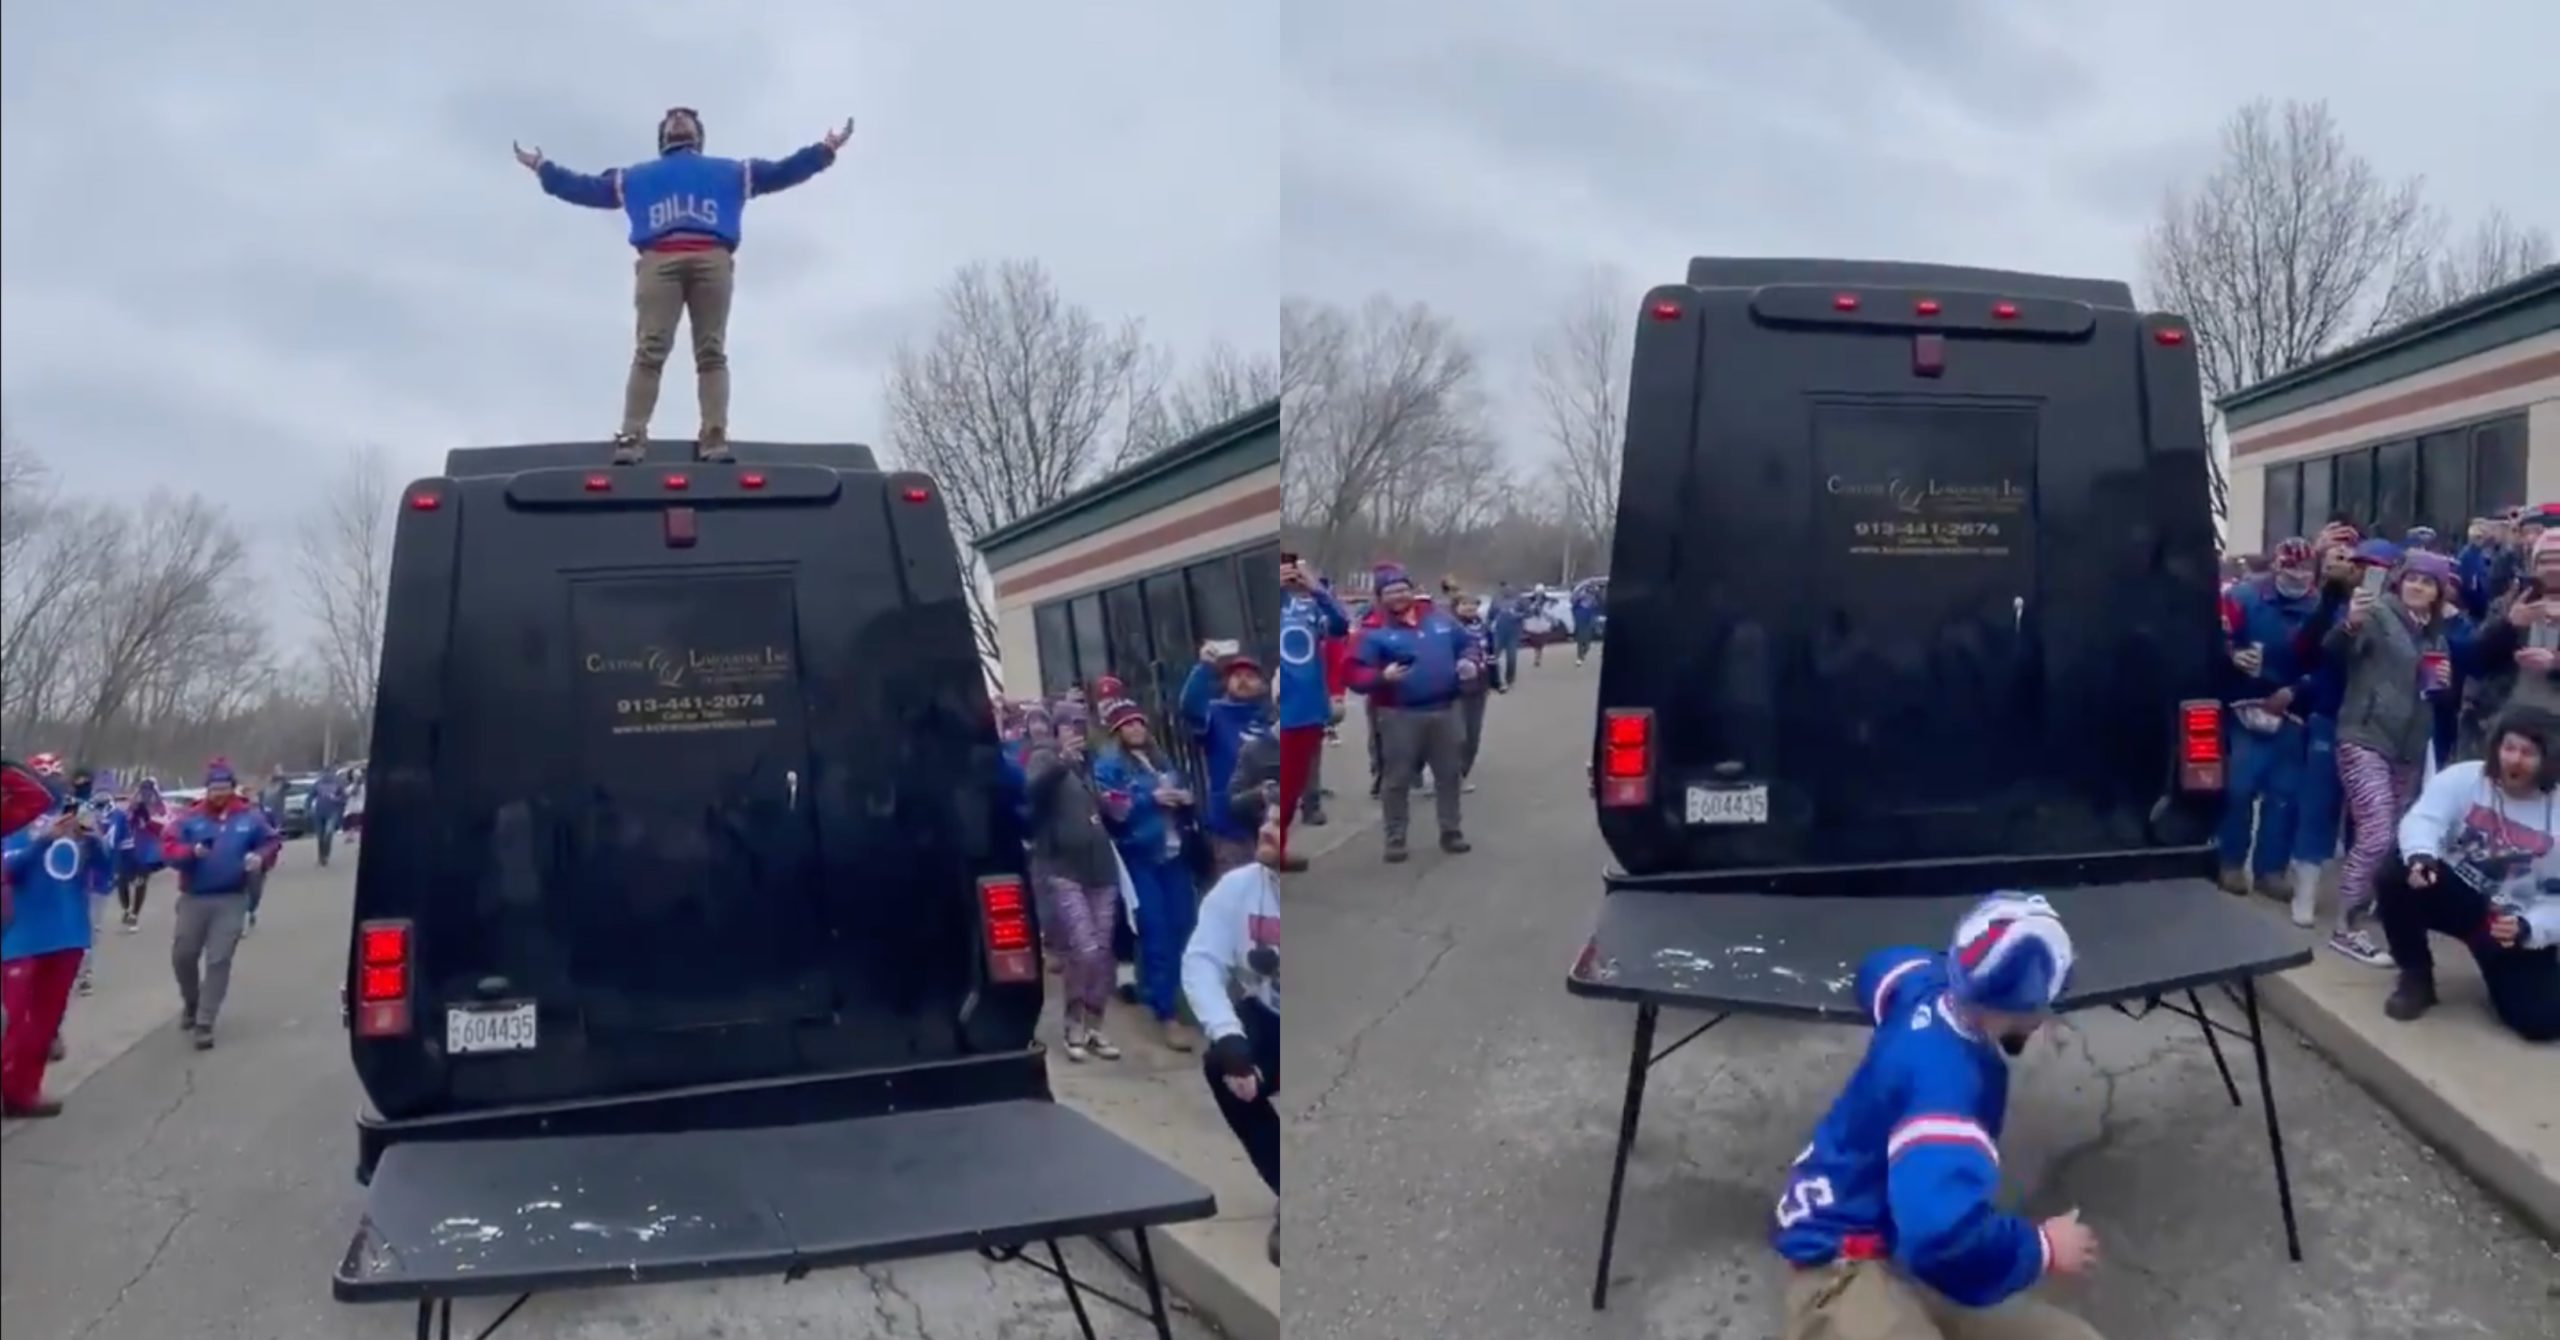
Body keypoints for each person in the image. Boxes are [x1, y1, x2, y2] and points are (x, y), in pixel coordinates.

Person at [1772, 893, 2103, 1339]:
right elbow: (1939, 1232)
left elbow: (1880, 966)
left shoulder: (1924, 987)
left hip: (1895, 1242)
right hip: (1838, 1267)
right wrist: (2042, 1247)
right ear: (2025, 1009)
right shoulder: (1950, 1090)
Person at [518, 109, 854, 465]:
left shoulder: (731, 172)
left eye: (685, 117)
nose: (678, 118)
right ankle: (632, 436)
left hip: (712, 255)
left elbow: (781, 171)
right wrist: (544, 168)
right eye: (672, 118)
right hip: (659, 258)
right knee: (650, 349)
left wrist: (824, 151)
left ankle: (714, 435)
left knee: (711, 351)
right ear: (663, 135)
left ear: (698, 133)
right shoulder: (636, 177)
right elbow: (586, 188)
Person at [2378, 707, 2560, 1042]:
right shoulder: (2465, 778)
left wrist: (2529, 928)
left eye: (2528, 753)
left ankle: (2505, 972)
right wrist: (2422, 856)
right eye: (2509, 748)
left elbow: (2556, 899)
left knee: (2542, 1022)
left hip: (2512, 920)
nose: (2514, 760)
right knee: (2397, 871)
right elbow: (2424, 819)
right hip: (2456, 893)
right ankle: (2416, 974)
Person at [2325, 546, 2456, 967]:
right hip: (2363, 735)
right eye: (2412, 578)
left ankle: (2374, 906)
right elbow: (2334, 651)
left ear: (2438, 592)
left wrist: (2445, 684)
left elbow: (2434, 697)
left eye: (2428, 581)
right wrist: (2349, 624)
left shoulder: (2435, 636)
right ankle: (2344, 927)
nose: (2417, 586)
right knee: (2377, 830)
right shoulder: (2378, 614)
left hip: (2408, 747)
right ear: (2399, 582)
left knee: (2393, 835)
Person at [1183, 809, 1282, 1267]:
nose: (1266, 829)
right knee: (1222, 1069)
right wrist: (1227, 1035)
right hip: (1270, 1015)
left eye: (1281, 823)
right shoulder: (1238, 888)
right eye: (1268, 818)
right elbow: (1202, 960)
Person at [1347, 562, 1480, 862]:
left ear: (1412, 590)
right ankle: (1395, 838)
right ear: (1380, 597)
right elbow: (1353, 674)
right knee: (1397, 779)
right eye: (1390, 592)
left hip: (1445, 709)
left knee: (1449, 775)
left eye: (1402, 589)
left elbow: (1468, 644)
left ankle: (1451, 831)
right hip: (1398, 714)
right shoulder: (1372, 631)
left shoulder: (1439, 619)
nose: (1398, 596)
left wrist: (1469, 661)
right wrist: (1381, 676)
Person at [1091, 698, 1201, 1052]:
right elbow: (1113, 808)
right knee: (1155, 929)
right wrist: (1151, 798)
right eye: (1128, 724)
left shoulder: (1160, 759)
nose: (1136, 728)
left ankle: (1165, 992)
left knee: (1184, 924)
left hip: (1174, 854)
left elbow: (1181, 789)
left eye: (1139, 722)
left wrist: (1184, 798)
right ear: (1116, 731)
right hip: (1140, 857)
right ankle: (1165, 1012)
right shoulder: (1108, 765)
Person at [2218, 539, 2320, 906]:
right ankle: (2230, 861)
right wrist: (2232, 654)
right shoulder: (2243, 597)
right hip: (2245, 704)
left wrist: (2296, 691)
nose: (2297, 575)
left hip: (2293, 709)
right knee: (2239, 788)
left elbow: (2329, 664)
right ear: (2275, 565)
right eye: (2290, 567)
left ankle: (2271, 870)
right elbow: (2216, 636)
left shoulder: (2321, 607)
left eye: (2305, 569)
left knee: (2284, 795)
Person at [1023, 701, 1124, 1063]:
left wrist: (1114, 806)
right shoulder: (1044, 757)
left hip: (1101, 868)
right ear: (1056, 729)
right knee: (1084, 949)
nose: (1076, 731)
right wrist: (1061, 762)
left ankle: (1096, 1025)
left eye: (1081, 724)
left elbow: (1098, 812)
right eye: (1069, 725)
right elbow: (1030, 794)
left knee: (1103, 954)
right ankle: (1073, 1024)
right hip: (1064, 868)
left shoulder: (1090, 763)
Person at [2, 794, 108, 1117]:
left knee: (44, 1025)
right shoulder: (11, 822)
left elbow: (105, 877)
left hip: (67, 936)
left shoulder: (75, 820)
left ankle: (23, 1092)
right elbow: (8, 870)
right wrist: (43, 841)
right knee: (14, 1023)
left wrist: (96, 841)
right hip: (19, 939)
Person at [163, 761, 278, 1050]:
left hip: (232, 898)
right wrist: (191, 852)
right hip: (194, 897)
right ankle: (192, 1002)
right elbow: (168, 848)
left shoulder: (249, 818)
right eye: (214, 788)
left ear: (232, 788)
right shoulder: (189, 819)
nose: (219, 793)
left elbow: (271, 841)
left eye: (224, 788)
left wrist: (260, 857)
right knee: (183, 955)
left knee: (219, 958)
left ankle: (205, 1022)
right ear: (207, 790)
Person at [1274, 556, 1350, 865]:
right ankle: (1270, 852)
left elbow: (1341, 625)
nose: (1289, 575)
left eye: (1293, 568)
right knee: (1274, 786)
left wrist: (1316, 588)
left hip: (1306, 708)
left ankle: (1278, 850)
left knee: (1293, 785)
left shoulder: (1310, 607)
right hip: (1278, 708)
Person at [1179, 644, 1276, 872]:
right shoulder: (1215, 713)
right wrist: (1204, 667)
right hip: (1229, 825)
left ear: (1262, 685)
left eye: (1250, 676)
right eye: (1236, 676)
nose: (1242, 681)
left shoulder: (1270, 717)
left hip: (1269, 820)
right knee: (1240, 884)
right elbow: (1189, 706)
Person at [1450, 590, 1507, 788]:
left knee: (1472, 736)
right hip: (1454, 690)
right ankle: (1448, 776)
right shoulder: (1448, 628)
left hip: (1478, 688)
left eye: (1473, 604)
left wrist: (1496, 681)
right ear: (1456, 607)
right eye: (1465, 604)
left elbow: (1491, 656)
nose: (1470, 608)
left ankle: (1462, 773)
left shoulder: (1483, 628)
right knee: (1456, 735)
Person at [309, 768, 348, 868]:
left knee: (328, 833)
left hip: (332, 813)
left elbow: (344, 798)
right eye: (325, 773)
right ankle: (321, 856)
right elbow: (310, 796)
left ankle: (326, 855)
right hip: (319, 813)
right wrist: (308, 808)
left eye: (328, 773)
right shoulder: (318, 784)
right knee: (320, 836)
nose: (326, 775)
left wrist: (337, 799)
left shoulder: (337, 784)